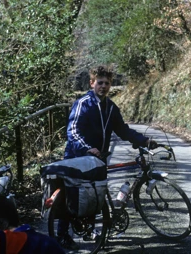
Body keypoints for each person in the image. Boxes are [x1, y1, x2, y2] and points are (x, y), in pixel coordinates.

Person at [57, 65, 157, 249]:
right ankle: (61, 234)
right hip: (77, 156)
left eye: (107, 83)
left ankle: (93, 229)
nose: (103, 86)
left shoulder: (110, 108)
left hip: (98, 158)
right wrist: (87, 149)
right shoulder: (83, 103)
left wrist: (144, 141)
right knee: (71, 197)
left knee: (97, 194)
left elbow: (123, 130)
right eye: (100, 82)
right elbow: (72, 131)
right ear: (92, 83)